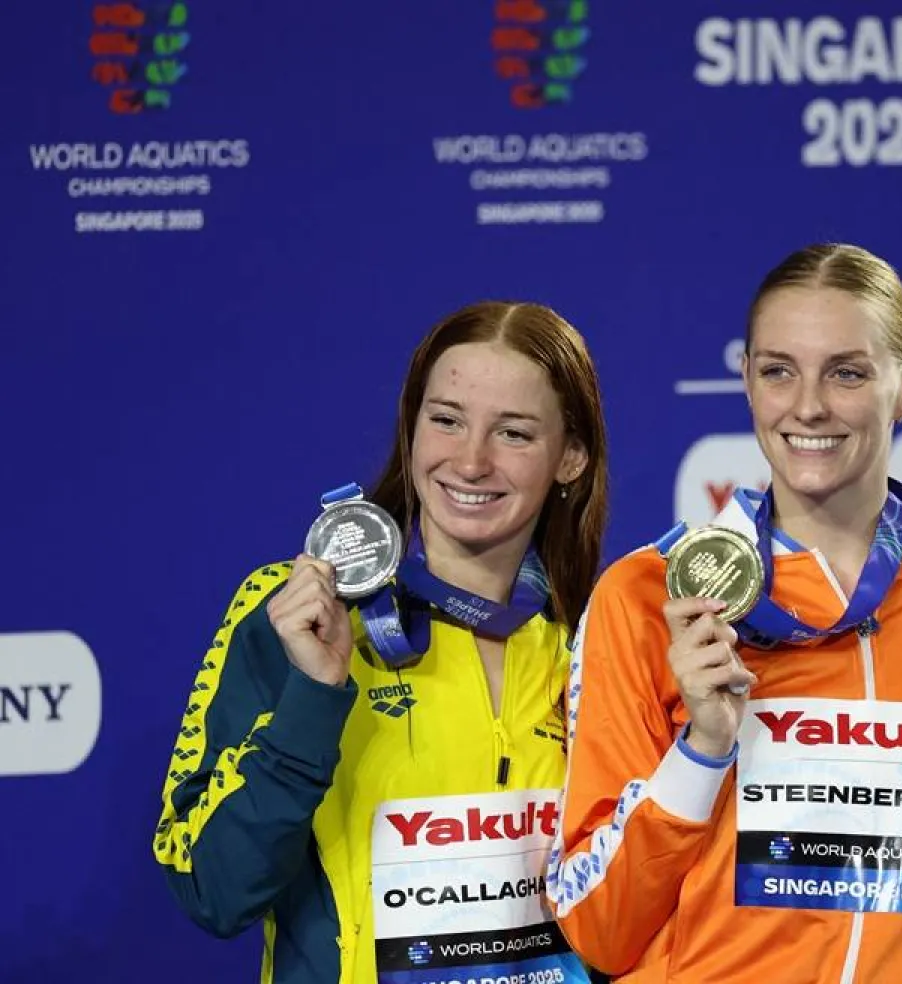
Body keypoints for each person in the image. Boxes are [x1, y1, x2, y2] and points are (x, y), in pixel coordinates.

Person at [546, 243, 902, 982]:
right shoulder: (651, 595)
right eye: (779, 371)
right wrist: (702, 749)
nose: (808, 406)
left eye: (847, 373)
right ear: (746, 380)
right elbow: (599, 928)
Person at [153, 301, 609, 984]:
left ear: (570, 456)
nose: (472, 460)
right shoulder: (298, 610)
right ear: (412, 425)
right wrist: (314, 695)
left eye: (513, 433)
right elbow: (211, 890)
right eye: (446, 419)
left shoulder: (597, 637)